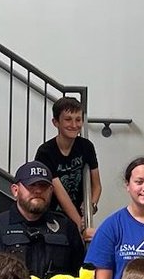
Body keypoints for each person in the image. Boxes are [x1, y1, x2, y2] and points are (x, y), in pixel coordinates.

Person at [34, 96, 102, 237]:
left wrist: (91, 206)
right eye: (68, 119)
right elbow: (60, 194)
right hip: (51, 217)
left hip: (79, 216)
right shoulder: (45, 152)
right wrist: (80, 225)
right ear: (55, 122)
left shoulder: (86, 147)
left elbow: (97, 185)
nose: (74, 124)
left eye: (78, 119)